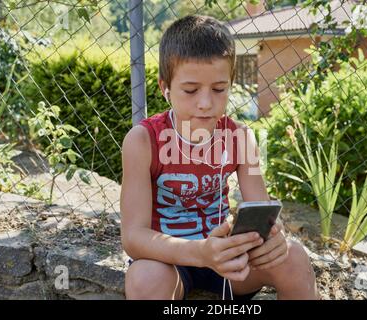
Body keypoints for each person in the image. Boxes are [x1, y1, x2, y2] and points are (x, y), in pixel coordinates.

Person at [120, 15, 318, 300]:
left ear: (231, 84)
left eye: (218, 89)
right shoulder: (142, 141)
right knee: (144, 279)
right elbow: (133, 238)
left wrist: (274, 237)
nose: (205, 103)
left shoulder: (240, 137)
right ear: (165, 88)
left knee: (294, 256)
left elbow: (259, 212)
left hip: (228, 259)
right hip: (168, 260)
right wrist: (200, 252)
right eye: (190, 90)